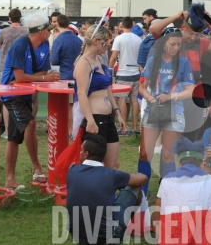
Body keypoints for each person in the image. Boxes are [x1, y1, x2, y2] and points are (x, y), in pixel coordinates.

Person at [149, 6, 211, 141]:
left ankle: (189, 159)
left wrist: (209, 23)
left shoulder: (201, 43)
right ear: (182, 28)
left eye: (196, 34)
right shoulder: (171, 39)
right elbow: (154, 29)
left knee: (192, 136)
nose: (193, 37)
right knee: (171, 138)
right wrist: (176, 16)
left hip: (194, 95)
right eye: (190, 33)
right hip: (171, 95)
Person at [0, 11, 60, 189]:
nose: (50, 31)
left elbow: (42, 72)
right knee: (30, 124)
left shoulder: (42, 46)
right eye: (48, 29)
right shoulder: (20, 45)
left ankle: (10, 179)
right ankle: (37, 168)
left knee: (13, 138)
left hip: (25, 93)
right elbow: (19, 77)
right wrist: (40, 79)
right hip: (11, 94)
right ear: (40, 31)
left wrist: (33, 77)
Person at [66, 134, 147, 245]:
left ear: (86, 154)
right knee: (135, 187)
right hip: (105, 238)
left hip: (77, 234)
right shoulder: (111, 175)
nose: (79, 153)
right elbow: (143, 179)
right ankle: (126, 227)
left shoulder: (73, 170)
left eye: (81, 150)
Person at [138, 28, 194, 184]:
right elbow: (141, 87)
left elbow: (191, 91)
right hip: (153, 110)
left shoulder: (183, 62)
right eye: (172, 44)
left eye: (178, 44)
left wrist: (172, 96)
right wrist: (151, 99)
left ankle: (166, 191)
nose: (176, 48)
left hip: (175, 112)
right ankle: (140, 192)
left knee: (168, 155)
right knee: (144, 154)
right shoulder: (152, 61)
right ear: (163, 43)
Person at [152, 137, 211, 244]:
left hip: (170, 239)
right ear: (202, 164)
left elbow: (156, 217)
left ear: (180, 164)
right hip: (201, 239)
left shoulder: (165, 181)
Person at [73, 26, 124, 169]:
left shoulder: (99, 59)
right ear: (95, 41)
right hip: (95, 119)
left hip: (107, 119)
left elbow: (107, 88)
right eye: (105, 41)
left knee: (113, 165)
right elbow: (81, 93)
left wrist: (117, 112)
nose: (108, 44)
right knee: (92, 165)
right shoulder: (83, 63)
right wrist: (90, 120)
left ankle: (108, 191)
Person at [0, 8, 29, 138]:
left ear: (9, 18)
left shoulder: (4, 32)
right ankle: (24, 128)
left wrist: (2, 46)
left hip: (5, 68)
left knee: (6, 99)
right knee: (24, 97)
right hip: (22, 68)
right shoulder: (26, 31)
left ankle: (7, 130)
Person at [109, 17, 143, 134]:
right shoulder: (138, 39)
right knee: (134, 100)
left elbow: (114, 57)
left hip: (123, 73)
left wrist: (109, 69)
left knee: (121, 100)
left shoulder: (119, 38)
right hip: (136, 72)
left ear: (122, 25)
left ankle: (123, 128)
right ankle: (134, 127)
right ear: (132, 25)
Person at [52, 14, 83, 81]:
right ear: (68, 24)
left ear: (57, 23)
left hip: (64, 75)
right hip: (77, 75)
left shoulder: (58, 40)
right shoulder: (79, 40)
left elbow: (54, 60)